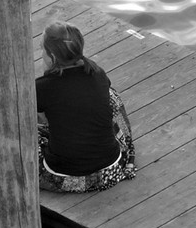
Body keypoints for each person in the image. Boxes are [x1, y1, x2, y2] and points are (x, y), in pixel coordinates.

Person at [35, 21, 136, 193]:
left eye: (42, 50)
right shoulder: (97, 73)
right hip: (110, 169)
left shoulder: (42, 87)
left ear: (51, 56)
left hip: (63, 175)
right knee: (110, 95)